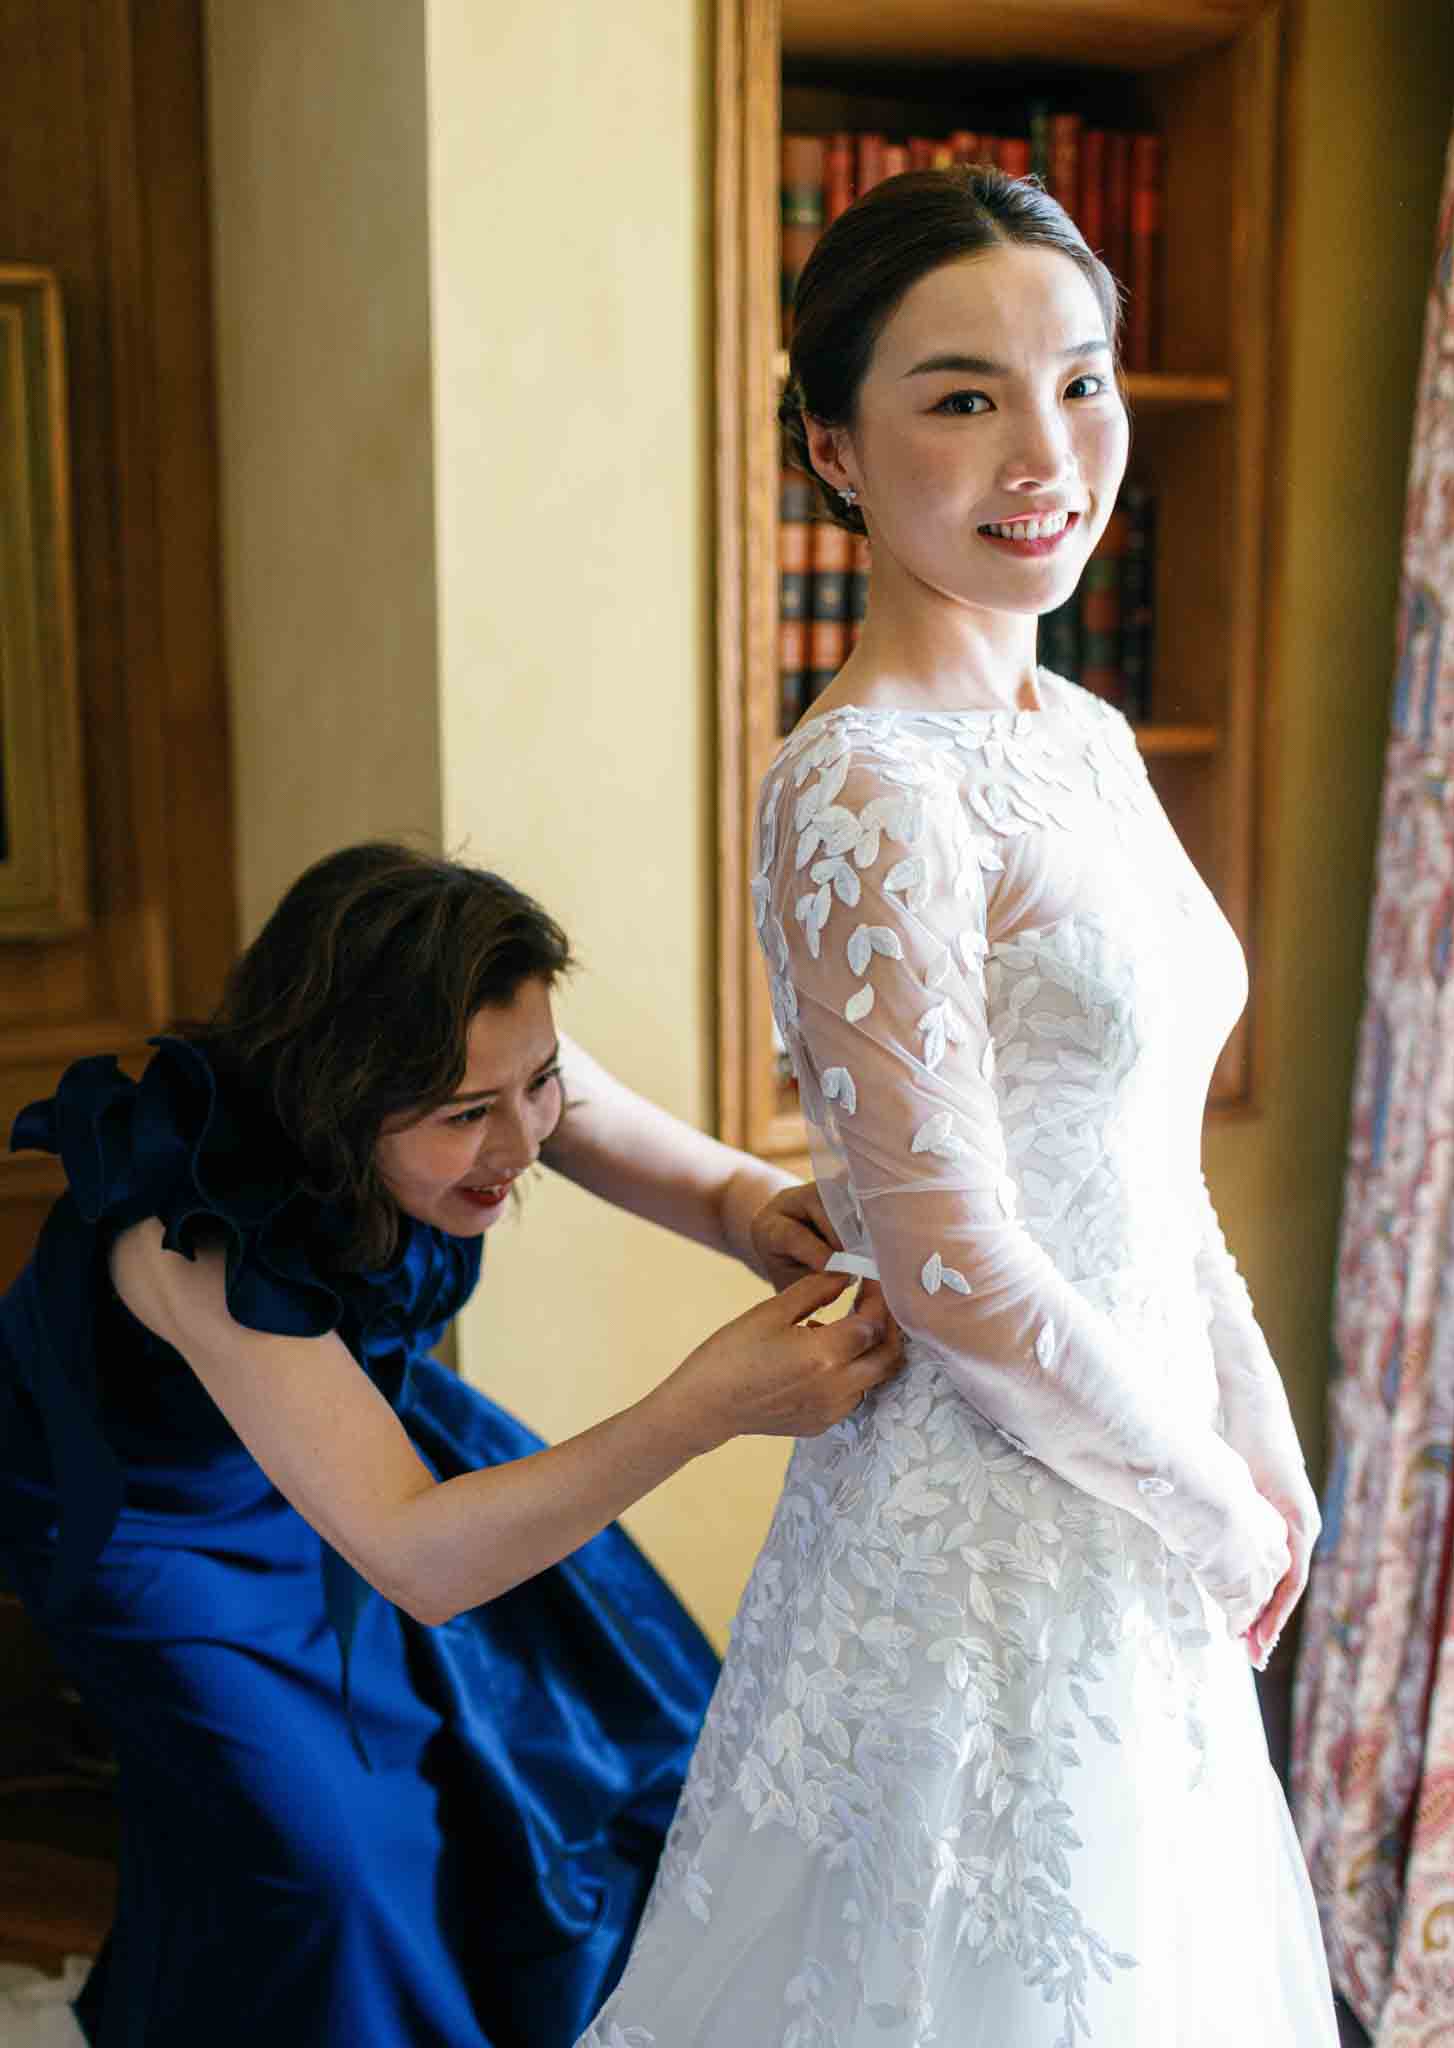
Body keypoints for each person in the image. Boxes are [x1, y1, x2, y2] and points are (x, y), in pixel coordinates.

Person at [580, 168, 1338, 2046]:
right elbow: (952, 1261)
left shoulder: (1074, 735)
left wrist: (1259, 1440)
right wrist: (1206, 1498)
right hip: (984, 1527)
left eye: (1079, 382)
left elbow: (1149, 1161)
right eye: (960, 394)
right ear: (833, 446)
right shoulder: (860, 787)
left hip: (1135, 1495)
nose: (1045, 449)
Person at [0, 841, 903, 2048]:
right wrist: (707, 1405)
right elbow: (420, 1560)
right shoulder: (192, 1238)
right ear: (334, 1095)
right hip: (158, 1516)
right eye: (464, 1116)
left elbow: (695, 1178)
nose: (520, 1141)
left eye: (536, 1084)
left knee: (622, 1741)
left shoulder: (486, 1071)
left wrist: (758, 1211)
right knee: (333, 1866)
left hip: (360, 1435)